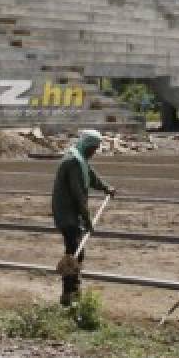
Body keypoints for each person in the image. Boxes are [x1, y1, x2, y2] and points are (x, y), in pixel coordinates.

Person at [51, 129, 116, 306]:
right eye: (93, 148)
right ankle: (69, 293)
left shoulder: (79, 158)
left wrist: (105, 187)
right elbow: (78, 194)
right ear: (86, 145)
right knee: (75, 251)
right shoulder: (73, 161)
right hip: (67, 213)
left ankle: (72, 290)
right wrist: (87, 221)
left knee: (76, 250)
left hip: (72, 214)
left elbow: (90, 175)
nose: (94, 152)